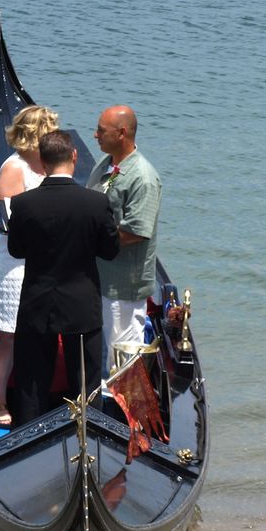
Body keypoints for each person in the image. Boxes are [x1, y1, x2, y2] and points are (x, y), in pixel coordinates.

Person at [7, 129, 120, 424]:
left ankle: (30, 438)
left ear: (42, 163)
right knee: (86, 384)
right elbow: (110, 251)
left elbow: (17, 250)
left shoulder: (23, 204)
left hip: (37, 301)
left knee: (32, 382)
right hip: (82, 302)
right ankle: (90, 434)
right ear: (74, 157)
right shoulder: (95, 203)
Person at [0, 104, 59, 425]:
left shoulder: (48, 166)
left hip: (45, 257)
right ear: (36, 135)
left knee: (40, 329)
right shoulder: (14, 168)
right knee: (9, 333)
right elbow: (11, 224)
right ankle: (0, 398)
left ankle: (36, 394)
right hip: (15, 260)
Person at [86, 105, 162, 373]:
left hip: (123, 285)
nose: (95, 135)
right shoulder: (104, 165)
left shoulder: (143, 177)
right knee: (101, 351)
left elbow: (136, 232)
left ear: (121, 133)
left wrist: (89, 241)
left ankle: (120, 411)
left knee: (121, 359)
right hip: (98, 277)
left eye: (101, 130)